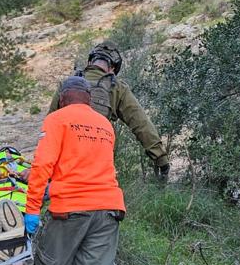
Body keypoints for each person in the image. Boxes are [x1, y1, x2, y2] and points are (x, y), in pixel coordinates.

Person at [25, 76, 125, 265]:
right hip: (108, 210)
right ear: (88, 98)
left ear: (64, 97)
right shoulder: (105, 126)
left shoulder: (57, 120)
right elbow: (93, 167)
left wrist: (31, 209)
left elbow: (42, 165)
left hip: (70, 210)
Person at [50, 43, 170, 182]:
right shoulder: (117, 88)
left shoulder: (67, 84)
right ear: (112, 68)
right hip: (98, 164)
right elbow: (141, 124)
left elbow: (49, 124)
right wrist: (161, 158)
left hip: (64, 162)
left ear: (90, 62)